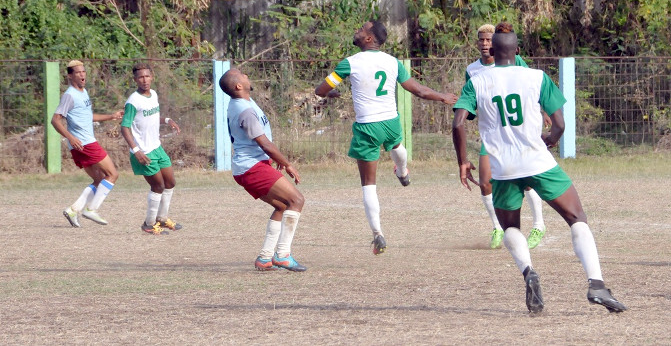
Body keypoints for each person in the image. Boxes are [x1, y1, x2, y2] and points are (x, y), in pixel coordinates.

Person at [452, 27, 626, 314]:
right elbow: (559, 123)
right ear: (517, 52)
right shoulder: (537, 77)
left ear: (492, 53)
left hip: (502, 167)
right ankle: (596, 284)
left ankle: (529, 271)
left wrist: (462, 160)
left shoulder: (477, 81)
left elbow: (458, 122)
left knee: (510, 227)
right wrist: (551, 141)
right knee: (577, 217)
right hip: (537, 161)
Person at [315, 20, 458, 255]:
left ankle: (378, 234)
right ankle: (402, 171)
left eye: (361, 29)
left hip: (367, 127)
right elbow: (418, 90)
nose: (356, 30)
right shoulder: (393, 62)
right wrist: (442, 96)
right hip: (390, 121)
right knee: (397, 145)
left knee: (368, 185)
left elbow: (320, 90)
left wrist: (331, 93)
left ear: (369, 39)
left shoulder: (349, 63)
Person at [464, 23, 547, 250]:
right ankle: (497, 227)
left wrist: (544, 111)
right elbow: (471, 102)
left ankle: (539, 224)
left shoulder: (515, 61)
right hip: (492, 134)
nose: (485, 44)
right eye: (481, 40)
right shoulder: (472, 70)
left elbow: (531, 88)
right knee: (484, 182)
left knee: (526, 177)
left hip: (517, 132)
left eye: (489, 40)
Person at [219, 67, 306, 272]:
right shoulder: (244, 109)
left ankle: (265, 258)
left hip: (250, 166)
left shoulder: (243, 102)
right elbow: (264, 144)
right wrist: (287, 164)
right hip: (252, 167)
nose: (247, 75)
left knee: (283, 206)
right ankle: (283, 255)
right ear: (238, 86)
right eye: (243, 75)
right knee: (297, 200)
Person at [52, 60, 123, 227]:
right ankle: (91, 210)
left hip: (82, 144)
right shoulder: (70, 95)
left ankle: (73, 209)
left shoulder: (83, 92)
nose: (82, 75)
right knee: (112, 175)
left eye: (83, 71)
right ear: (70, 76)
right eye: (78, 72)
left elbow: (88, 116)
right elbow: (55, 120)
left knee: (99, 179)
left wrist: (111, 116)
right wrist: (70, 137)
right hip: (85, 143)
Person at [120, 63, 183, 236]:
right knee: (158, 186)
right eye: (140, 77)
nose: (144, 80)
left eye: (147, 76)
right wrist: (136, 150)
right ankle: (149, 224)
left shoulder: (153, 94)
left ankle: (162, 218)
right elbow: (125, 127)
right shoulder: (133, 101)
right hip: (144, 152)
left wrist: (167, 120)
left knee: (170, 183)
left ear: (152, 76)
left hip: (156, 147)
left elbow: (151, 117)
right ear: (135, 80)